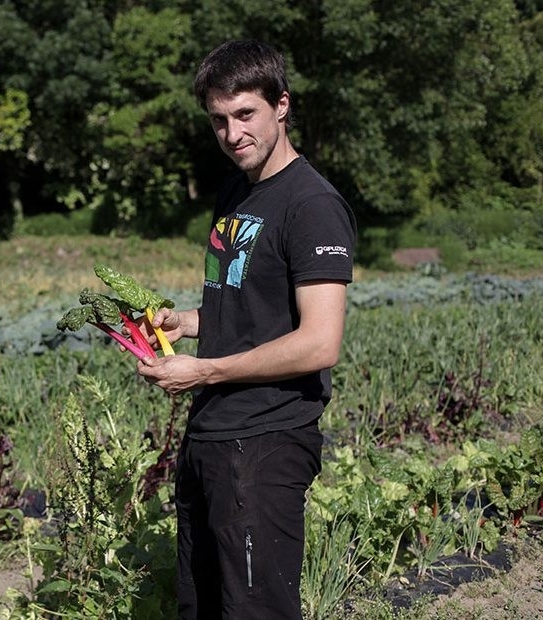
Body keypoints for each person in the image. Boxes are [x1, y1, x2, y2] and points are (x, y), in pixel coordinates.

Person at [135, 40, 357, 619]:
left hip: (267, 440)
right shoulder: (236, 189)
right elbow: (245, 309)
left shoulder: (312, 206)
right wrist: (186, 323)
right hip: (212, 431)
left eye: (245, 114)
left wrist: (205, 369)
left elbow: (318, 341)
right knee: (201, 605)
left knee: (257, 611)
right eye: (218, 120)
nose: (232, 134)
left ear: (281, 106)